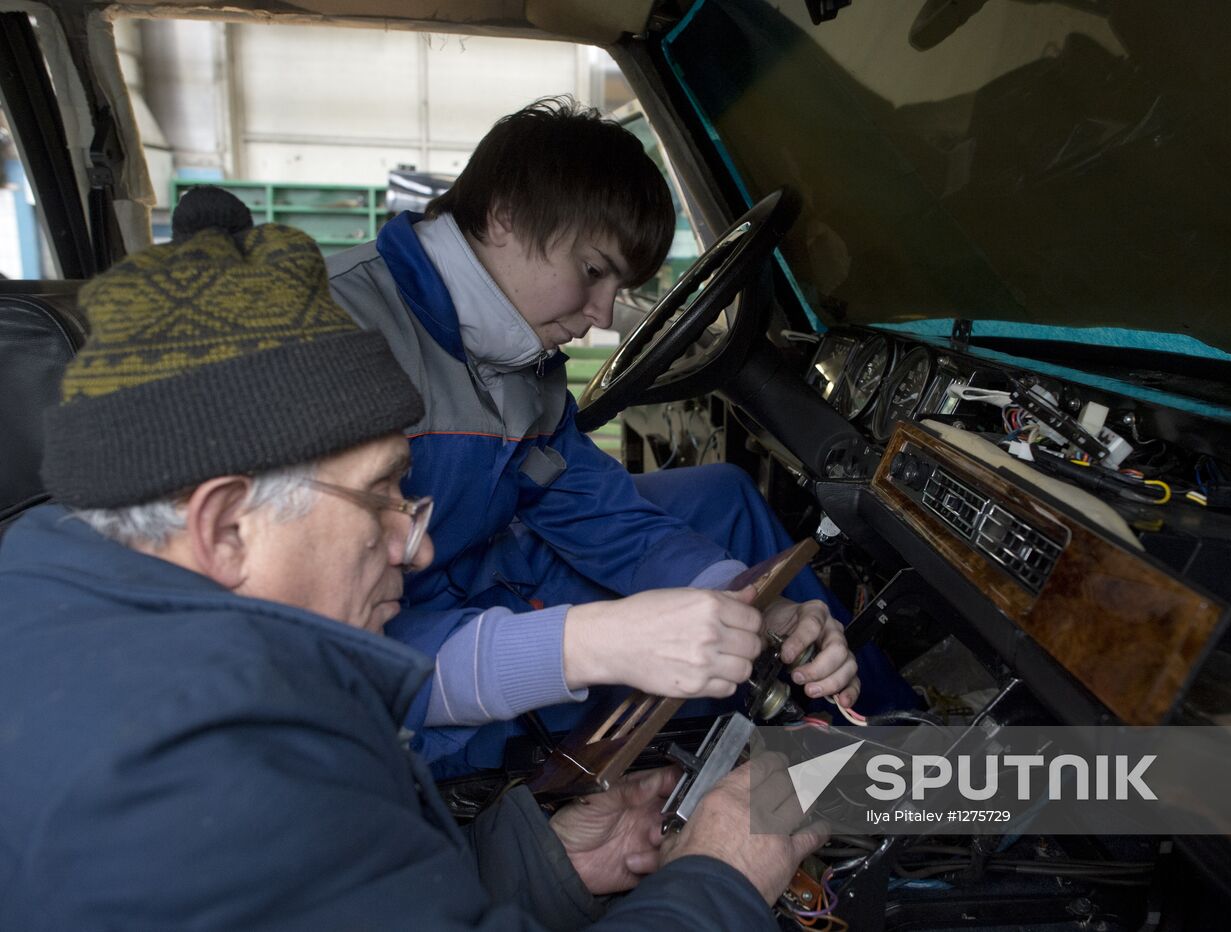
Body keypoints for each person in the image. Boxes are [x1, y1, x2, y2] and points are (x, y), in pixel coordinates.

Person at [0, 217, 824, 929]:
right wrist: (720, 873)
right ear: (225, 527)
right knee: (848, 788)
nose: (416, 543)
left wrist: (543, 865)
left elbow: (348, 893)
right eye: (384, 495)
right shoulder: (211, 785)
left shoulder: (57, 592)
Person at [327, 97, 908, 774]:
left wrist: (751, 604)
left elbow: (592, 506)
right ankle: (848, 784)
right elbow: (331, 646)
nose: (602, 316)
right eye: (593, 271)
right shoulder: (341, 331)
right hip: (406, 662)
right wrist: (592, 642)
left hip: (491, 569)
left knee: (721, 496)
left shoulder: (518, 357)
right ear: (503, 215)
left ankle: (901, 743)